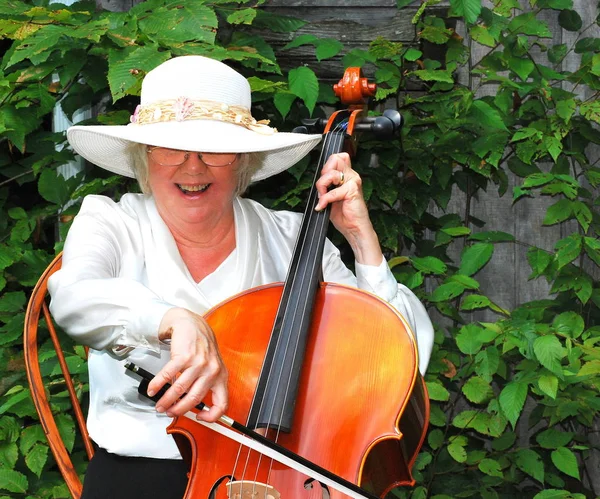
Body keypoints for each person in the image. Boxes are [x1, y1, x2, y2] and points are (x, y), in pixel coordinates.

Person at [48, 55, 434, 499]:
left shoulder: (291, 237)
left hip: (285, 479)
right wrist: (172, 318)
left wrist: (362, 241)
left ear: (245, 162)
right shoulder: (111, 221)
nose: (192, 168)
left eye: (215, 149)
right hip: (140, 474)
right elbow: (74, 297)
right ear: (143, 156)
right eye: (170, 147)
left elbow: (399, 356)